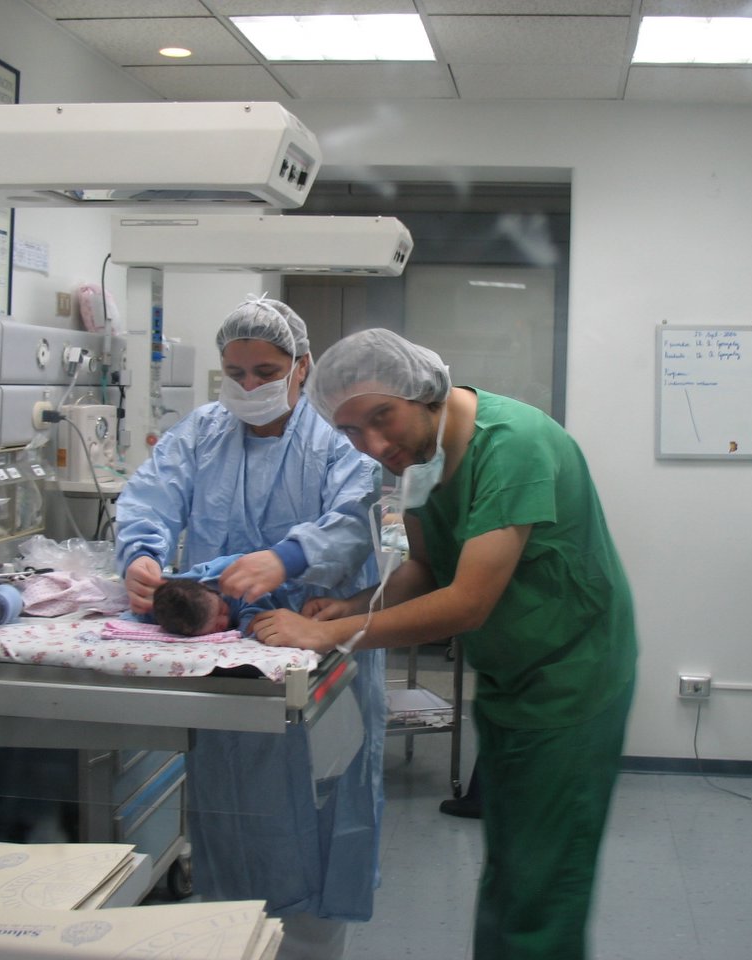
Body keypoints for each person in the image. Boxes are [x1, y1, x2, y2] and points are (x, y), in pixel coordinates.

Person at [252, 328, 638, 960]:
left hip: (573, 678)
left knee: (543, 881)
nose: (375, 446)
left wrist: (328, 634)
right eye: (351, 432)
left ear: (424, 392)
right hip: (512, 676)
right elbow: (426, 570)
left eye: (383, 417)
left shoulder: (513, 447)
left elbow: (466, 603)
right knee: (512, 865)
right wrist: (354, 606)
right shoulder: (419, 463)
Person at [113, 297, 384, 960]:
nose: (249, 386)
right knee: (235, 818)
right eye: (235, 373)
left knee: (319, 813)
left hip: (316, 653)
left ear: (302, 367)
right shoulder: (203, 433)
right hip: (231, 670)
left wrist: (287, 558)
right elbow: (150, 498)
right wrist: (141, 556)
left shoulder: (336, 437)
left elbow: (356, 521)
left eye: (266, 372)